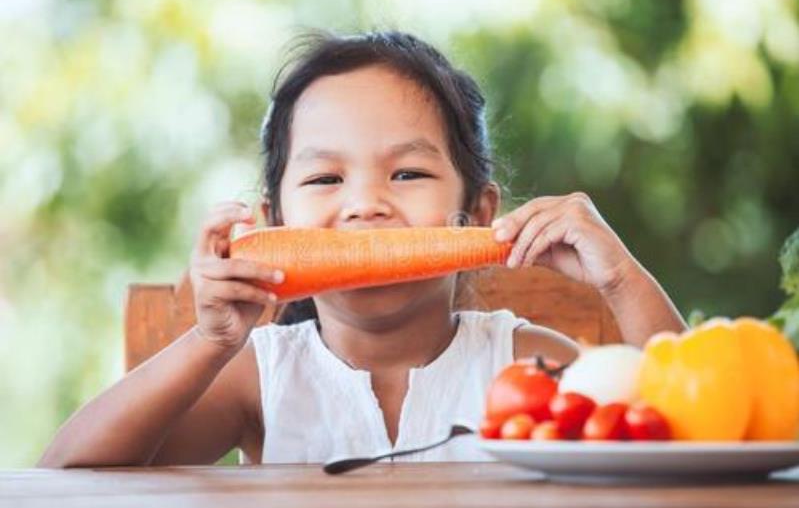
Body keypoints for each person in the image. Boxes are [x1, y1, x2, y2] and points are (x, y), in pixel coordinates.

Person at [39, 31, 685, 467]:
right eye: (324, 179)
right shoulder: (256, 377)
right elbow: (68, 472)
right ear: (273, 220)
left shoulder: (525, 363)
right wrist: (209, 343)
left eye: (406, 174)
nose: (364, 204)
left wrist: (622, 281)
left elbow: (690, 434)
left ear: (478, 213)